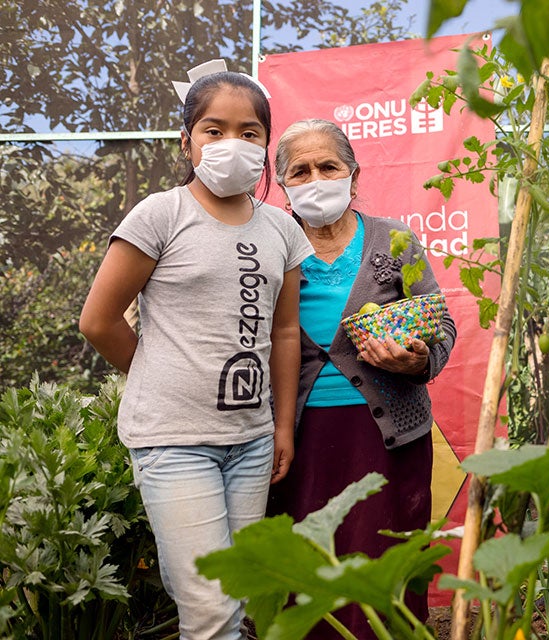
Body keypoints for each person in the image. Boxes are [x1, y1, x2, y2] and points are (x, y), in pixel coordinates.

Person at [79, 62, 313, 640]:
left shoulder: (281, 229)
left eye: (249, 131)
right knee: (210, 613)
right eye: (213, 129)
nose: (231, 143)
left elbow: (285, 334)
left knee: (236, 598)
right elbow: (98, 321)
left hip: (252, 442)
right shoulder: (162, 214)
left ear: (265, 143)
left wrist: (281, 428)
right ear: (187, 141)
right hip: (173, 442)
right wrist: (159, 369)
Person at [266, 118, 457, 639]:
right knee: (312, 572)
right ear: (282, 186)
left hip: (389, 436)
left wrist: (415, 360)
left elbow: (440, 324)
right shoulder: (268, 246)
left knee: (386, 565)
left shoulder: (394, 241)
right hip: (298, 440)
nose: (315, 178)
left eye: (328, 166)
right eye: (299, 171)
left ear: (353, 175)